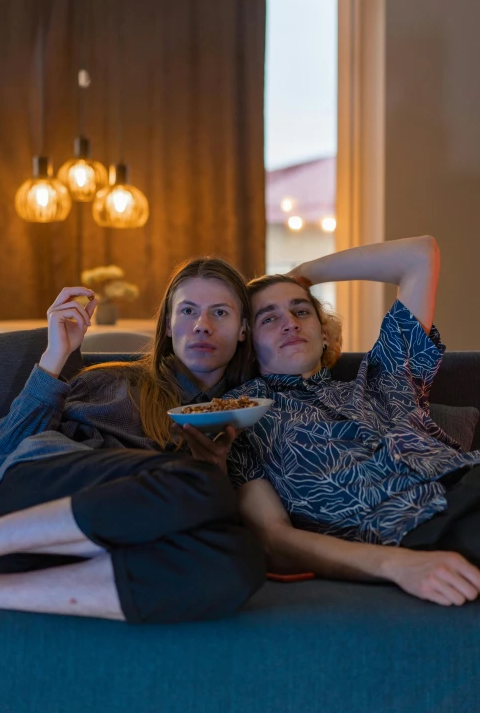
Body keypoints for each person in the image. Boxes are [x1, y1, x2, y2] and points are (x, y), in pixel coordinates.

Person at [0, 257, 265, 622]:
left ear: (243, 329)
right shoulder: (114, 381)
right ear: (167, 325)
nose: (201, 325)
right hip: (33, 495)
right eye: (187, 310)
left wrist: (213, 465)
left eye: (219, 312)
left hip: (87, 547)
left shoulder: (245, 416)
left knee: (239, 561)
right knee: (204, 484)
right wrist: (55, 355)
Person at [180, 236, 480, 607]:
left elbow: (421, 254)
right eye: (269, 318)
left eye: (301, 311)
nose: (290, 323)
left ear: (324, 333)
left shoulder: (385, 375)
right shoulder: (237, 418)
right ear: (247, 342)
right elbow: (275, 538)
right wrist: (397, 564)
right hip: (424, 530)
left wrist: (305, 273)